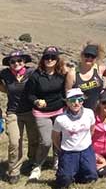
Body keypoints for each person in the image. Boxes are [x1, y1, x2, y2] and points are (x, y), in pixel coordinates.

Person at [26, 46, 69, 181]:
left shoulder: (61, 75)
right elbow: (30, 94)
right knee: (46, 141)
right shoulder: (36, 76)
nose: (49, 60)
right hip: (42, 112)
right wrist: (36, 101)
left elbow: (65, 91)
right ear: (43, 59)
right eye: (47, 57)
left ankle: (57, 159)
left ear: (57, 60)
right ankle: (37, 165)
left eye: (53, 57)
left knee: (59, 138)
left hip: (59, 110)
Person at [0, 50, 38, 184]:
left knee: (34, 140)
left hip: (31, 112)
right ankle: (14, 171)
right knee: (15, 142)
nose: (16, 63)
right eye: (12, 61)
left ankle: (32, 162)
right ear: (9, 64)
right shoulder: (4, 74)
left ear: (24, 62)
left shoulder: (31, 72)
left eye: (19, 61)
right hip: (13, 113)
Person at [51, 88, 97, 189]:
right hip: (69, 152)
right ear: (67, 102)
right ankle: (66, 171)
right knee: (64, 181)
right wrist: (61, 149)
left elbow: (92, 129)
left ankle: (77, 170)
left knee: (92, 176)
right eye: (72, 100)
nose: (76, 103)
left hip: (86, 150)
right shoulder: (60, 119)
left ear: (83, 100)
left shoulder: (89, 113)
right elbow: (55, 136)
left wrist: (86, 142)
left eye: (79, 100)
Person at [65, 44, 106, 111]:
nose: (89, 58)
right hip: (79, 112)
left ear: (96, 58)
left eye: (92, 56)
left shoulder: (99, 69)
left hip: (97, 111)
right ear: (82, 55)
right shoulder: (73, 74)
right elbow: (68, 94)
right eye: (87, 55)